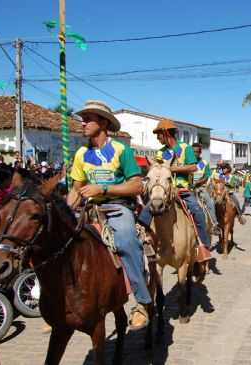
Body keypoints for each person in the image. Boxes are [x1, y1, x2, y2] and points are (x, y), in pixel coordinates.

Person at [67, 100, 151, 330]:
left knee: (126, 240)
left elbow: (136, 186)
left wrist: (103, 189)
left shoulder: (121, 150)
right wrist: (65, 213)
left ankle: (141, 302)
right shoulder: (81, 154)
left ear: (103, 122)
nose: (82, 122)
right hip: (89, 209)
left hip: (117, 207)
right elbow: (76, 189)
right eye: (82, 118)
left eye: (88, 118)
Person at [137, 118, 213, 260]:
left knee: (197, 211)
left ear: (166, 133)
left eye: (158, 134)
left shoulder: (185, 148)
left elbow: (193, 167)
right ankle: (144, 238)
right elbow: (158, 170)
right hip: (164, 190)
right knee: (146, 210)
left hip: (182, 190)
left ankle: (203, 245)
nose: (157, 138)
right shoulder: (160, 153)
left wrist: (171, 168)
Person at [191, 143, 220, 235]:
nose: (194, 153)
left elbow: (207, 176)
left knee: (210, 203)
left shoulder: (204, 163)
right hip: (187, 188)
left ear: (200, 153)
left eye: (196, 152)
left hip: (200, 188)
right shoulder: (186, 162)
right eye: (193, 151)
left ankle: (214, 224)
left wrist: (197, 183)